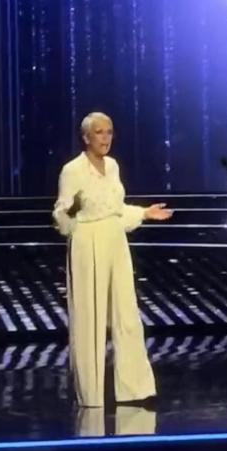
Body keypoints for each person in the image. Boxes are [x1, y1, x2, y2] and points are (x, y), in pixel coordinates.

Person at [53, 112, 173, 408]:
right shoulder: (72, 170)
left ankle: (134, 389)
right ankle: (90, 396)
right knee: (89, 319)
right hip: (86, 241)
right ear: (86, 138)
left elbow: (115, 209)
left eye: (109, 132)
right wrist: (72, 209)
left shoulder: (113, 166)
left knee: (126, 314)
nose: (105, 138)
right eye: (99, 132)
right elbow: (61, 219)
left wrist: (144, 213)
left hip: (114, 240)